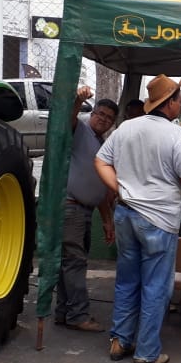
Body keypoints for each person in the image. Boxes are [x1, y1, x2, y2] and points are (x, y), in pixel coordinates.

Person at [94, 74, 181, 363]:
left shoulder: (126, 128)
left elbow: (100, 161)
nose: (180, 103)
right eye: (178, 98)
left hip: (126, 213)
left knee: (127, 279)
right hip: (159, 219)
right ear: (170, 103)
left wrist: (120, 189)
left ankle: (120, 341)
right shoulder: (175, 133)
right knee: (155, 285)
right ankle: (146, 352)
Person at [55, 89, 118, 333]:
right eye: (100, 114)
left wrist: (106, 220)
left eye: (109, 117)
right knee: (74, 262)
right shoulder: (80, 130)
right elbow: (66, 120)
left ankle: (64, 312)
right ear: (92, 113)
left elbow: (101, 187)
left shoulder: (101, 144)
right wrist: (77, 100)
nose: (103, 119)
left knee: (70, 264)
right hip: (70, 207)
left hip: (85, 210)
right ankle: (78, 315)